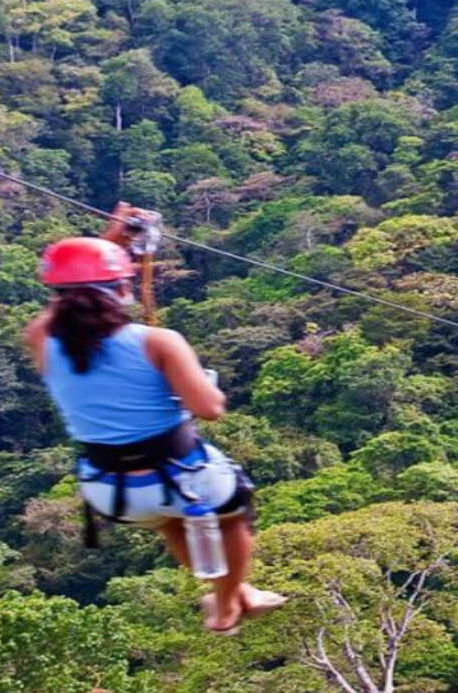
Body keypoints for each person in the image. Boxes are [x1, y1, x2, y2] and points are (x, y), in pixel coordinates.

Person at [24, 203, 284, 634]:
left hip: (110, 490)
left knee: (169, 521)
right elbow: (210, 409)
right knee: (234, 508)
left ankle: (229, 592)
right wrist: (198, 382)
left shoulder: (42, 340)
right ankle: (226, 606)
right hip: (183, 476)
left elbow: (67, 297)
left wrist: (110, 242)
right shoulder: (157, 342)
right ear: (122, 289)